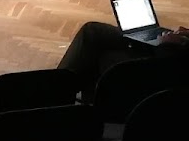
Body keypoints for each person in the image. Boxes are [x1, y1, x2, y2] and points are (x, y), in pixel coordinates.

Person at [57, 20, 189, 100]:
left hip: (172, 62)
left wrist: (166, 45)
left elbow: (170, 66)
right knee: (92, 32)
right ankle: (62, 91)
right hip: (178, 50)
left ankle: (56, 91)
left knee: (99, 49)